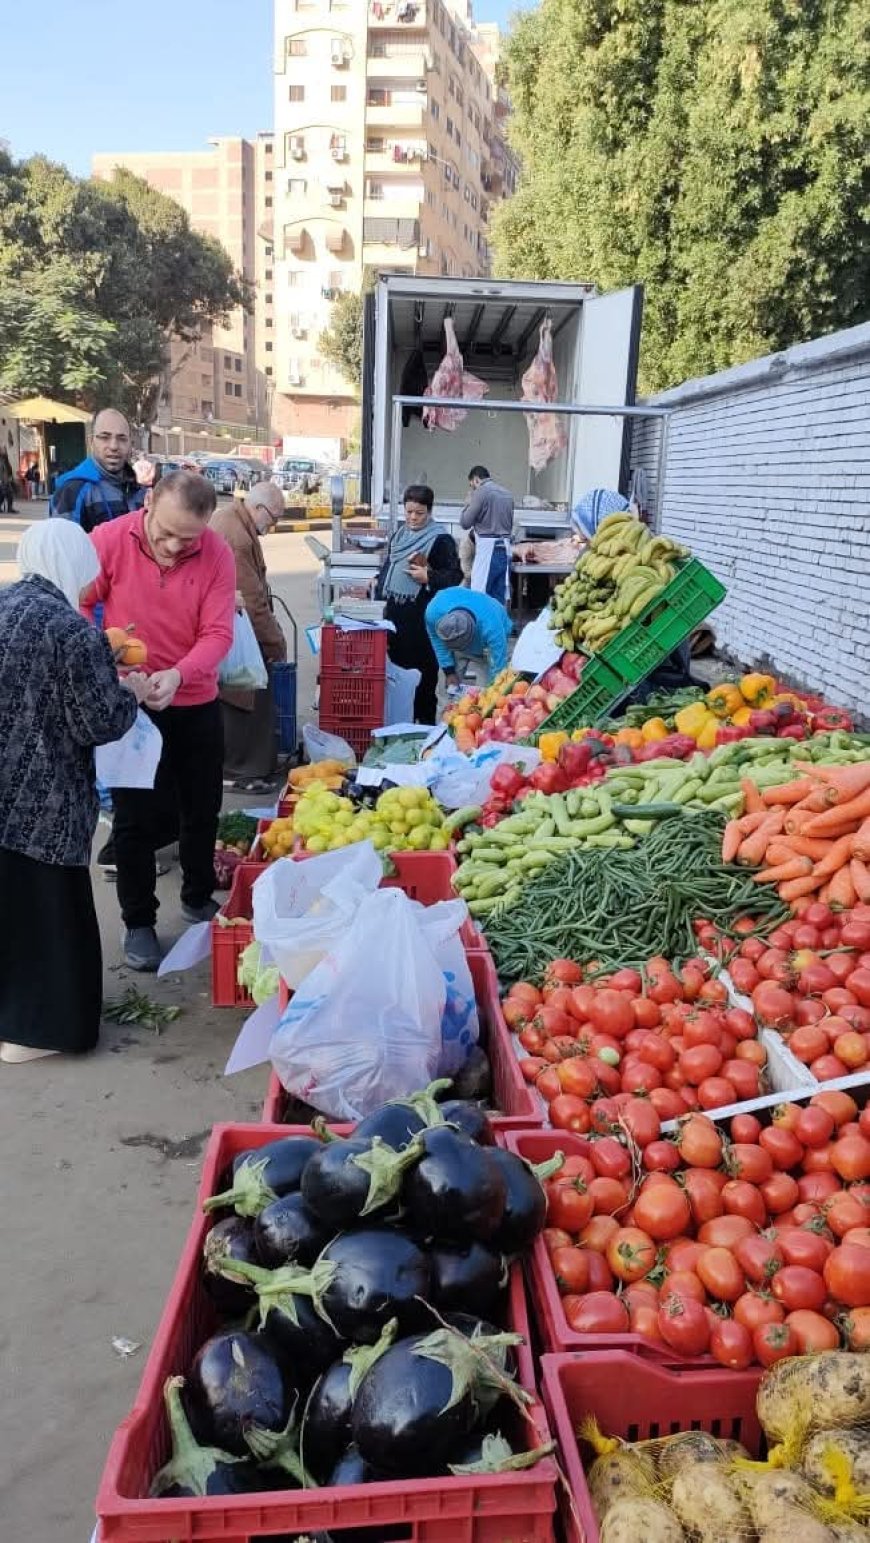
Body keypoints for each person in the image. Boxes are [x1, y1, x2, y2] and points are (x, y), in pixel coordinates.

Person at [0, 522, 149, 1062]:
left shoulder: (5, 604)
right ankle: (39, 1033)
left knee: (11, 912)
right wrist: (131, 693)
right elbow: (98, 721)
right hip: (43, 800)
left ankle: (12, 1019)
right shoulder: (69, 628)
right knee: (50, 919)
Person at [82, 470, 236, 972]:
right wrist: (109, 661)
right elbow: (78, 604)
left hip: (193, 699)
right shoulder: (108, 540)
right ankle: (139, 921)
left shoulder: (217, 554)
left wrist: (179, 673)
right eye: (165, 532)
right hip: (132, 705)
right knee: (134, 818)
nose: (172, 546)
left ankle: (195, 894)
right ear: (147, 502)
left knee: (201, 806)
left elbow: (217, 633)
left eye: (186, 538)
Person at [210, 481, 287, 789]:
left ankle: (240, 767)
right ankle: (243, 772)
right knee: (246, 693)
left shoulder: (234, 520)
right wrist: (275, 640)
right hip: (233, 627)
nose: (274, 524)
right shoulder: (237, 537)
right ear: (257, 508)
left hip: (227, 624)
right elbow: (252, 600)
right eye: (274, 517)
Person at [375, 484, 462, 725]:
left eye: (419, 513)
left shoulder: (440, 540)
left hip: (423, 625)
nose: (413, 518)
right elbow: (390, 566)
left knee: (423, 683)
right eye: (409, 511)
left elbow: (454, 577)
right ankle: (398, 726)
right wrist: (378, 588)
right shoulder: (400, 535)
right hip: (395, 622)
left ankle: (424, 730)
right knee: (398, 680)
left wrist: (429, 578)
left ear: (429, 511)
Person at [50, 407, 145, 531]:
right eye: (105, 437)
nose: (114, 446)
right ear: (91, 442)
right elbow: (63, 546)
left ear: (130, 444)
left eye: (122, 439)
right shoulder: (72, 490)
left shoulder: (139, 489)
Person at [425, 587, 512, 698]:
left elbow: (499, 667)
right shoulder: (433, 612)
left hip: (485, 648)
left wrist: (494, 691)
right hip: (453, 648)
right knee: (445, 692)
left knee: (487, 695)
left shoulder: (492, 627)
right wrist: (449, 671)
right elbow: (437, 640)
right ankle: (443, 715)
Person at [460, 465, 514, 602]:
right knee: (498, 599)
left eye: (472, 485)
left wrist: (467, 503)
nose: (472, 489)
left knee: (480, 598)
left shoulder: (481, 492)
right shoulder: (507, 494)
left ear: (476, 479)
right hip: (505, 550)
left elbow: (465, 523)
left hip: (487, 550)